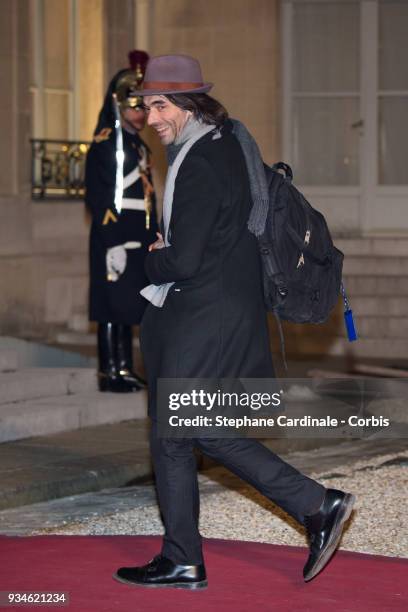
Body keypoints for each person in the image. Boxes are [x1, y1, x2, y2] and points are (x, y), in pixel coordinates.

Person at [114, 54, 355, 589]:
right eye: (146, 104)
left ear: (189, 102)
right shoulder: (225, 144)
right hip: (213, 314)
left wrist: (150, 256)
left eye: (160, 104)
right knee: (182, 434)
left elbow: (184, 260)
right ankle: (190, 554)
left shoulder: (201, 161)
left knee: (184, 433)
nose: (152, 117)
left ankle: (313, 505)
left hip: (203, 318)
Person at [85, 50, 157, 393]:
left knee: (130, 303)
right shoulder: (104, 144)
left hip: (137, 234)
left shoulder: (138, 146)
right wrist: (112, 238)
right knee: (111, 305)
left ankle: (126, 368)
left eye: (144, 107)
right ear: (119, 105)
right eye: (135, 106)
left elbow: (147, 196)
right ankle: (110, 371)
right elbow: (98, 196)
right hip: (113, 234)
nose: (141, 113)